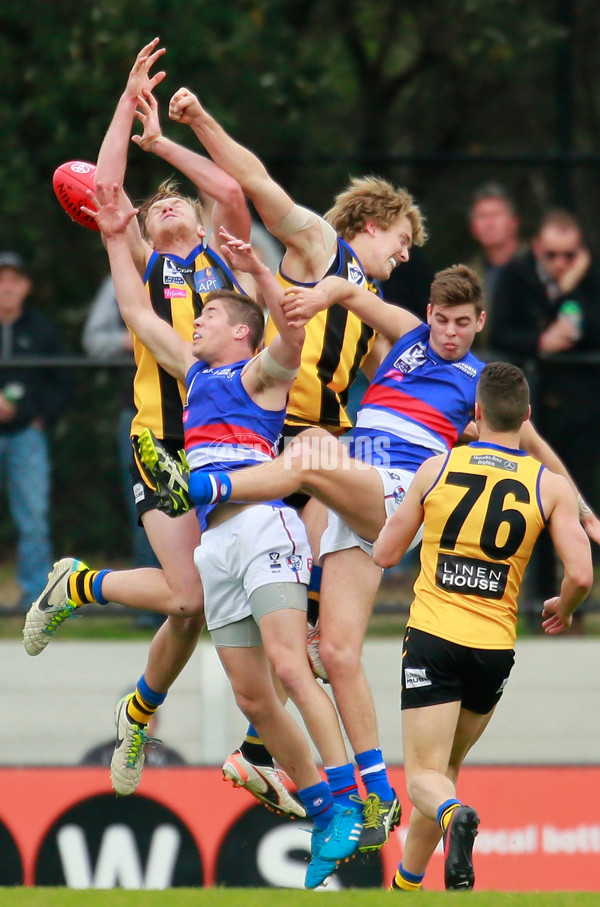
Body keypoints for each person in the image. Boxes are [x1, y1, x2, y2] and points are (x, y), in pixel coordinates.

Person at [146, 264, 600, 856]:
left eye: (463, 323)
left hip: (393, 487)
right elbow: (346, 291)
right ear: (429, 314)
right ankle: (376, 794)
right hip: (355, 487)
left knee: (312, 450)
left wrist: (584, 509)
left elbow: (530, 443)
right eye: (441, 320)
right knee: (334, 652)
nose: (449, 333)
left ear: (480, 322)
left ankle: (200, 491)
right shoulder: (411, 335)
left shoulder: (480, 376)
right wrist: (308, 293)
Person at [22, 40, 306, 816]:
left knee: (203, 607)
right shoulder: (149, 267)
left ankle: (138, 705)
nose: (168, 202)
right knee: (186, 600)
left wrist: (164, 138)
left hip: (241, 446)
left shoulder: (225, 257)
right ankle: (83, 587)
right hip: (167, 444)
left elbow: (231, 191)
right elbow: (108, 195)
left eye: (177, 197)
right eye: (156, 204)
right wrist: (126, 106)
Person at [166, 86, 426, 840]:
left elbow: (407, 353)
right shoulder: (323, 247)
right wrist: (199, 120)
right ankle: (281, 756)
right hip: (288, 439)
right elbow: (258, 185)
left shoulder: (367, 294)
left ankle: (263, 751)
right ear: (369, 223)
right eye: (401, 239)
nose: (405, 254)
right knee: (295, 596)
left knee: (318, 623)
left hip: (331, 440)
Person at [87, 181, 363, 889]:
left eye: (209, 314)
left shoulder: (258, 371)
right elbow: (131, 310)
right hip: (217, 547)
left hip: (263, 530)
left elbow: (291, 334)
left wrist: (261, 275)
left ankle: (349, 802)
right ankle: (322, 805)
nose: (197, 321)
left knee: (291, 665)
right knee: (253, 697)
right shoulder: (191, 373)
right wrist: (118, 236)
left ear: (241, 330)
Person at [372, 361, 593, 891]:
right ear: (526, 417)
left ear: (476, 414)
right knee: (446, 767)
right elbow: (582, 574)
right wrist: (563, 605)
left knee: (426, 779)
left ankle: (455, 820)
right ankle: (408, 884)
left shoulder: (438, 468)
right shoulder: (551, 486)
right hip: (493, 648)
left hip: (433, 637)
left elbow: (384, 553)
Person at [490, 209, 600, 629]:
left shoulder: (589, 279)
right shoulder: (516, 274)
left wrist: (567, 288)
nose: (560, 263)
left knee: (582, 501)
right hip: (533, 411)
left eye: (570, 255)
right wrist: (541, 341)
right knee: (532, 504)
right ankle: (535, 604)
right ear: (537, 247)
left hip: (582, 412)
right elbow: (501, 333)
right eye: (552, 255)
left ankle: (579, 603)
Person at [0, 251, 72, 610]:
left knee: (33, 518)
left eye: (14, 279)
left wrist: (42, 416)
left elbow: (63, 380)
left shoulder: (42, 329)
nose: (6, 287)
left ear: (26, 286)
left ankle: (36, 600)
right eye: (2, 278)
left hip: (27, 435)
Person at [81, 274, 160, 574]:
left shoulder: (199, 269)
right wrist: (135, 338)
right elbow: (94, 340)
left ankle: (201, 605)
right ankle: (149, 610)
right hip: (137, 414)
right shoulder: (119, 280)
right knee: (144, 508)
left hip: (196, 414)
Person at [467, 182, 521, 355]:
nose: (489, 223)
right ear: (473, 227)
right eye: (482, 216)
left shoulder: (540, 264)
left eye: (496, 215)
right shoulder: (466, 276)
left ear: (514, 222)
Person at [80, 690, 186, 767]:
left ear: (155, 722)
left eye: (145, 718)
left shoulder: (171, 760)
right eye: (131, 718)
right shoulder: (98, 757)